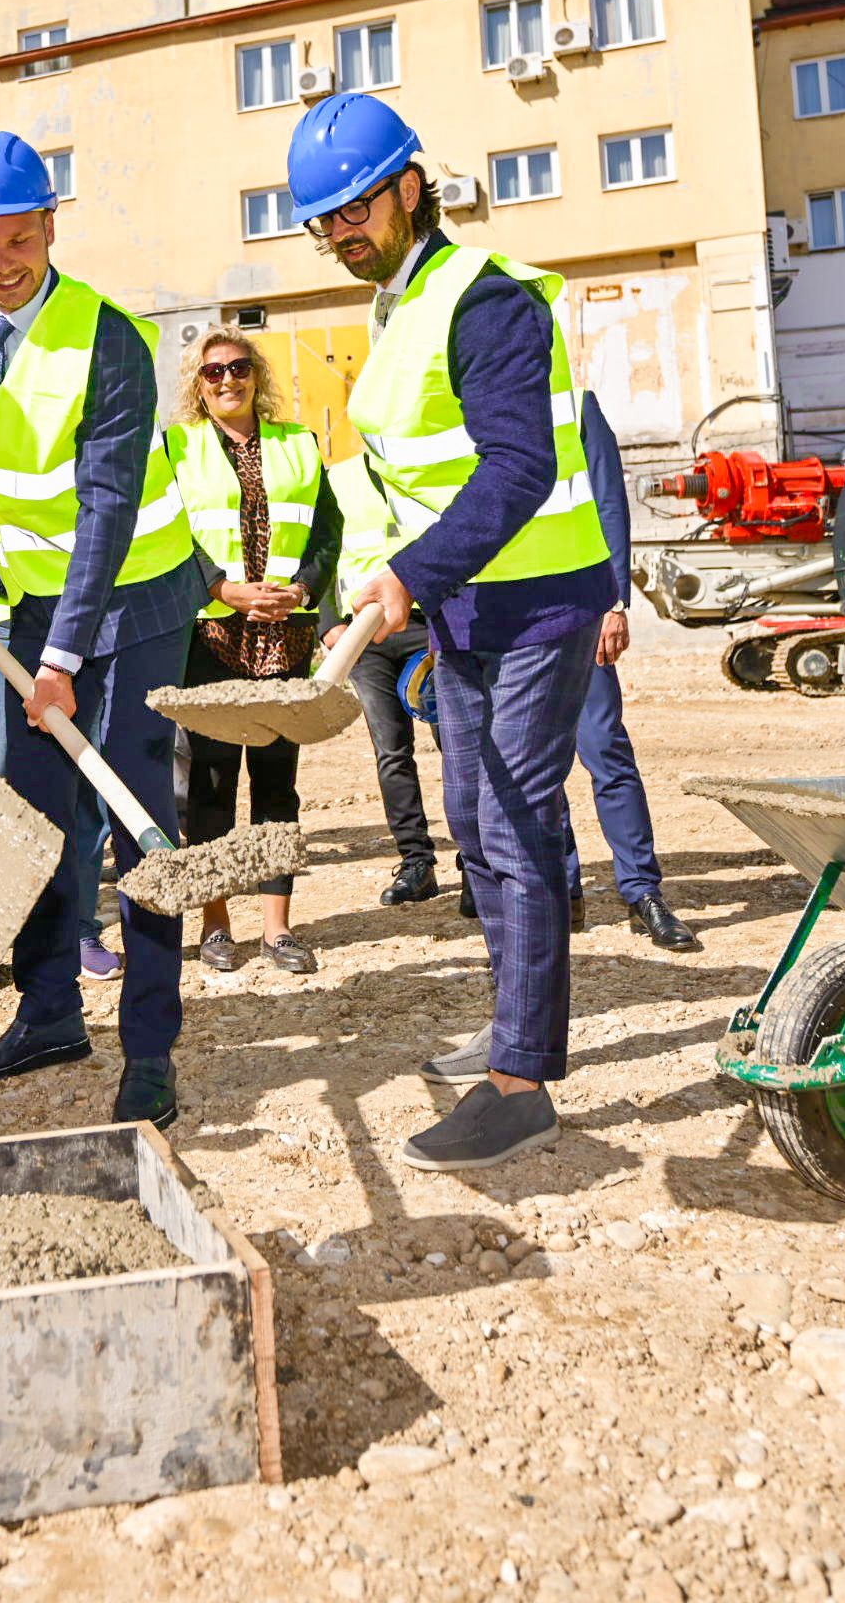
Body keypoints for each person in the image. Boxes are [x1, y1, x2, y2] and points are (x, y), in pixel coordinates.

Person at [295, 92, 612, 1173]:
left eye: (356, 208)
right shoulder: (399, 307)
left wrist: (415, 575)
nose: (343, 231)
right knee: (475, 822)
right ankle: (512, 1019)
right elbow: (402, 487)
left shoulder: (485, 302)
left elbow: (520, 467)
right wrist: (374, 587)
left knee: (518, 824)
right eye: (323, 220)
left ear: (411, 188)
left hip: (538, 601)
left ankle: (522, 1084)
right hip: (467, 605)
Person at [0, 131, 205, 1128]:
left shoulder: (109, 337)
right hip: (40, 604)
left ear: (48, 225)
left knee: (134, 821)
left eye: (16, 242)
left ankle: (151, 1048)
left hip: (135, 603)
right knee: (36, 824)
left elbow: (106, 507)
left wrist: (63, 659)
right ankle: (48, 1016)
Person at [166, 328, 338, 975]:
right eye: (213, 373)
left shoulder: (298, 444)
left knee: (276, 786)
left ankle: (277, 929)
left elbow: (327, 530)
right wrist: (224, 590)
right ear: (197, 384)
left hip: (284, 636)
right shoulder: (175, 447)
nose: (227, 380)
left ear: (257, 376)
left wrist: (303, 590)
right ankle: (215, 926)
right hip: (212, 636)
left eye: (239, 368)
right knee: (209, 786)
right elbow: (171, 536)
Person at [574, 390, 694, 952]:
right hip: (509, 614)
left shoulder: (575, 404)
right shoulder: (473, 401)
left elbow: (608, 502)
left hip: (577, 605)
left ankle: (642, 892)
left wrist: (613, 600)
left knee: (605, 750)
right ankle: (560, 890)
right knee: (531, 767)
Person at [331, 456, 449, 911]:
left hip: (429, 623)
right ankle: (416, 863)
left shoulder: (426, 465)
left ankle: (478, 862)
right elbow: (318, 547)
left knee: (455, 743)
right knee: (392, 751)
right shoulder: (338, 476)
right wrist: (329, 625)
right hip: (365, 633)